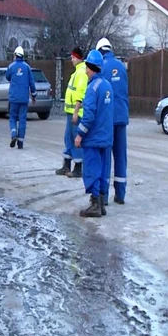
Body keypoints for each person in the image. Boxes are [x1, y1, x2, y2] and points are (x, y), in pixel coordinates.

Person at [75, 50, 113, 218]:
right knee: (104, 170)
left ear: (91, 68)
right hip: (106, 138)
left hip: (93, 139)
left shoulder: (92, 88)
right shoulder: (107, 86)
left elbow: (88, 116)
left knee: (92, 170)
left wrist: (79, 135)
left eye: (87, 68)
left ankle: (95, 204)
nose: (85, 71)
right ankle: (102, 203)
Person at [96, 38, 129, 205]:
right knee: (121, 155)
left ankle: (103, 195)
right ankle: (120, 194)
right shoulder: (122, 67)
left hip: (107, 118)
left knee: (105, 156)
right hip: (122, 117)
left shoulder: (101, 67)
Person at [55, 46, 89, 178]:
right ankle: (67, 165)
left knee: (76, 140)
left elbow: (80, 94)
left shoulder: (81, 73)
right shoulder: (77, 72)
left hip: (76, 114)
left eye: (73, 57)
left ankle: (78, 167)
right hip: (71, 113)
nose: (71, 60)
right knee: (68, 139)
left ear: (78, 58)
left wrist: (76, 112)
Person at [5, 46, 37, 149]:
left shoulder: (11, 66)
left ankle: (14, 135)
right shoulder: (27, 67)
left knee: (13, 117)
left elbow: (7, 77)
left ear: (15, 55)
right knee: (22, 119)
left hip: (13, 97)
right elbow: (32, 82)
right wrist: (34, 95)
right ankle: (20, 142)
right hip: (24, 98)